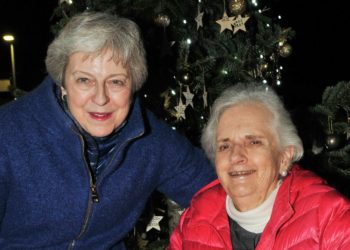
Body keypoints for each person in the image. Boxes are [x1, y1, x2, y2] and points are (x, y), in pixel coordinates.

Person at [0, 11, 216, 249]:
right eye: (84, 80)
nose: (101, 98)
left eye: (116, 81)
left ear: (133, 84)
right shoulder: (8, 133)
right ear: (62, 82)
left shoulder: (152, 140)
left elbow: (216, 192)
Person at [168, 83, 350, 249]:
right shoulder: (195, 219)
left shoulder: (331, 218)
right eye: (224, 145)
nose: (236, 156)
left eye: (254, 142)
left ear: (284, 157)